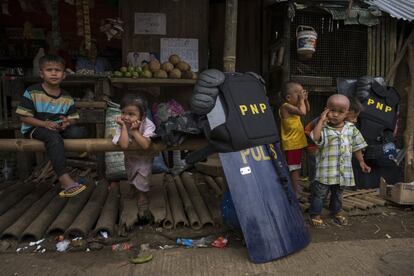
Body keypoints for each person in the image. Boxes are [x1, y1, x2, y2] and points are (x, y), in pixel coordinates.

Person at [16, 54, 88, 197]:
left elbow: (73, 118)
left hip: (57, 129)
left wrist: (67, 123)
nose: (54, 73)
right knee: (53, 138)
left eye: (58, 70)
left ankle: (66, 152)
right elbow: (24, 117)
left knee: (80, 131)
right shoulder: (32, 91)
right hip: (35, 128)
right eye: (49, 70)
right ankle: (64, 180)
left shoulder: (67, 97)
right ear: (41, 74)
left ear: (64, 75)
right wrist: (44, 123)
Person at [309, 94, 371, 227]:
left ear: (347, 113)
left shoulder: (351, 129)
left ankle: (336, 211)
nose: (335, 115)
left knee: (338, 194)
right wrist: (321, 120)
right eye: (332, 110)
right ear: (326, 110)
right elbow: (315, 137)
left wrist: (361, 161)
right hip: (325, 172)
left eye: (340, 112)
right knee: (319, 195)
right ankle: (315, 214)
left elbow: (357, 146)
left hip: (343, 172)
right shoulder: (323, 129)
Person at [304, 96, 364, 182]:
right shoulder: (326, 120)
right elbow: (315, 137)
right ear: (345, 113)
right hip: (312, 144)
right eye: (353, 117)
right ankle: (314, 185)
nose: (355, 120)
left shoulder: (344, 126)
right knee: (316, 166)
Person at [112, 94, 156, 207]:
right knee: (130, 173)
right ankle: (132, 187)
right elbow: (124, 145)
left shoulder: (148, 124)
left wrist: (135, 132)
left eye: (131, 114)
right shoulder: (122, 125)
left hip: (144, 157)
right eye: (123, 113)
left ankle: (142, 194)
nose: (126, 117)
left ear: (143, 116)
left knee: (143, 175)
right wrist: (123, 128)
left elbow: (146, 145)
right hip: (129, 156)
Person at [279, 81, 310, 197]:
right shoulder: (286, 107)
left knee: (297, 166)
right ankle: (295, 192)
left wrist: (305, 100)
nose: (301, 96)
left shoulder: (294, 106)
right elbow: (302, 112)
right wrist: (302, 101)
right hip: (292, 144)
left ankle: (296, 187)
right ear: (288, 97)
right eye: (299, 94)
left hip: (298, 142)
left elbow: (307, 110)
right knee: (294, 169)